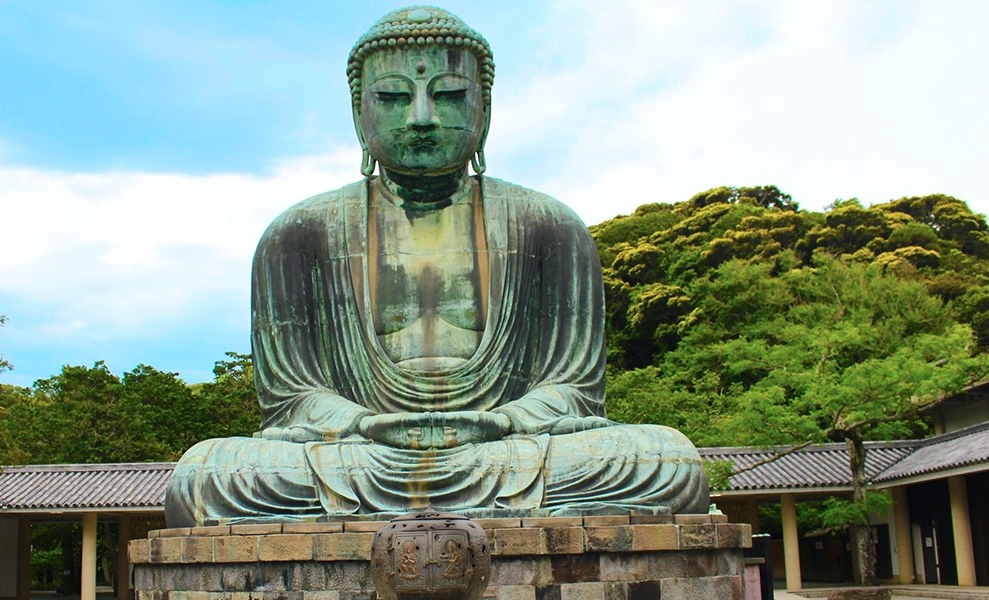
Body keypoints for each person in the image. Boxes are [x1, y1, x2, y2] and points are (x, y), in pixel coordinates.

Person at [164, 6, 708, 526]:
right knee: (205, 475)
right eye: (394, 97)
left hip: (507, 449)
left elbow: (574, 388)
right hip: (360, 454)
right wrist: (362, 424)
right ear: (360, 113)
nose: (421, 117)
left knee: (666, 461)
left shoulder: (549, 225)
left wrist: (506, 420)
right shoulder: (298, 234)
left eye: (448, 95)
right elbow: (292, 400)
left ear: (485, 108)